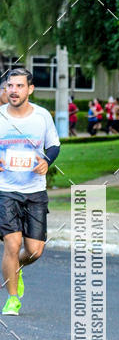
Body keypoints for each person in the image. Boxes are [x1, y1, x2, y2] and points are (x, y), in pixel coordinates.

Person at [0, 67, 60, 315]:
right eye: (10, 86)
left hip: (35, 191)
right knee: (12, 244)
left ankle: (17, 268)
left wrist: (47, 160)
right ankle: (12, 299)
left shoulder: (42, 116)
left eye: (19, 86)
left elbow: (54, 145)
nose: (14, 90)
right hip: (5, 190)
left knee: (34, 251)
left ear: (30, 89)